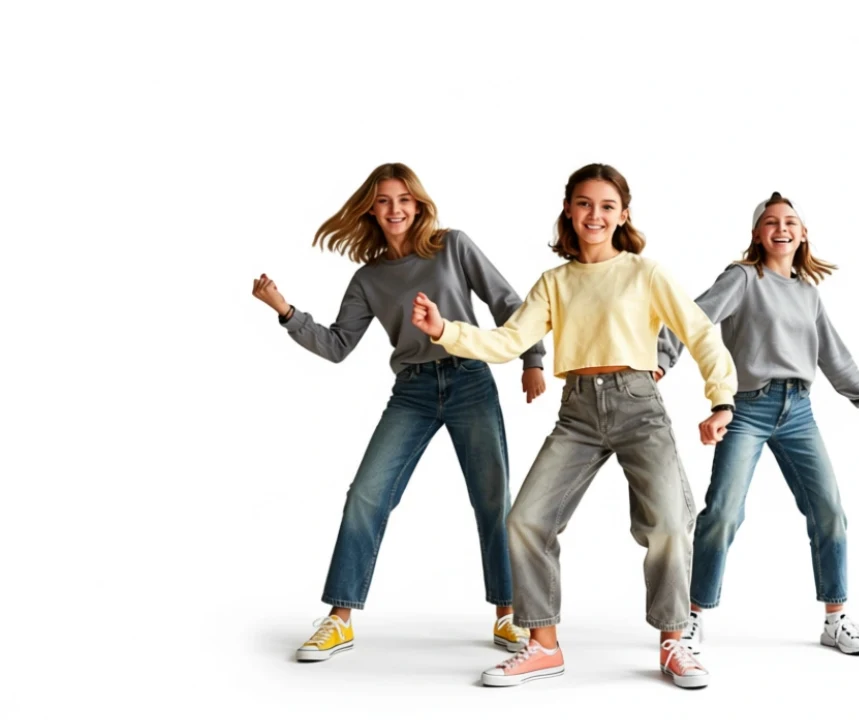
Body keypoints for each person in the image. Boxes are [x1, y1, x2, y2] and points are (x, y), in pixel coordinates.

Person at [411, 163, 736, 689]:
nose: (595, 215)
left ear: (623, 214)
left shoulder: (645, 273)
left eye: (607, 206)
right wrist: (444, 329)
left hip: (639, 406)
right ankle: (543, 646)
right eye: (584, 203)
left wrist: (722, 400)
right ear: (568, 209)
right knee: (526, 519)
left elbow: (700, 333)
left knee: (669, 523)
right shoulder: (555, 282)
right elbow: (509, 341)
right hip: (578, 412)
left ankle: (673, 642)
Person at [250, 163, 546, 662]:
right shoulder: (369, 279)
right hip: (412, 391)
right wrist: (286, 311)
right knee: (366, 495)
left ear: (418, 204)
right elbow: (337, 345)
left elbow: (507, 303)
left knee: (492, 498)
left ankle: (508, 611)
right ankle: (339, 619)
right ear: (371, 208)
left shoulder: (453, 246)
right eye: (384, 200)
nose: (395, 209)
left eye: (404, 199)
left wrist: (531, 360)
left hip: (470, 379)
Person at [657, 192, 859, 658]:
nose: (781, 228)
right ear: (757, 234)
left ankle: (835, 619)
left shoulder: (808, 294)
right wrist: (660, 359)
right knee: (723, 513)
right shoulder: (742, 278)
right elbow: (694, 318)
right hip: (748, 409)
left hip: (799, 412)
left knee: (829, 510)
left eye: (790, 221)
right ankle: (690, 615)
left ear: (803, 233)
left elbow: (833, 356)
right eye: (770, 222)